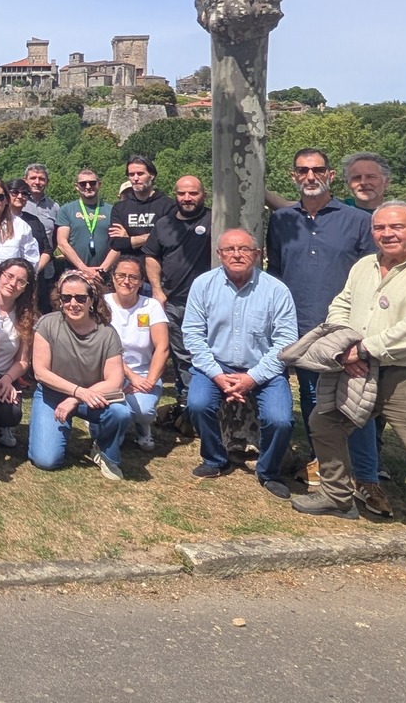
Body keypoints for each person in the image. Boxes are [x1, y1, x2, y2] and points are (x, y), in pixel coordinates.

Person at [290, 202, 406, 579]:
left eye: (397, 227)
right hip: (358, 366)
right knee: (324, 423)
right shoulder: (364, 266)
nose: (387, 233)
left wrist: (362, 350)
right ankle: (338, 496)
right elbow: (341, 304)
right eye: (380, 227)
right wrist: (345, 344)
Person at [265, 148, 383, 508]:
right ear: (293, 176)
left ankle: (366, 478)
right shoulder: (281, 220)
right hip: (298, 326)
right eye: (303, 171)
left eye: (317, 170)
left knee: (352, 403)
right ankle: (327, 469)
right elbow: (277, 271)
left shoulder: (357, 220)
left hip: (343, 329)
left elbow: (372, 278)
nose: (310, 176)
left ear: (330, 175)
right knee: (312, 400)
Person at [180, 228, 299, 498]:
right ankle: (215, 459)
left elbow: (286, 342)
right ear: (219, 254)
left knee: (280, 419)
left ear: (256, 254)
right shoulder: (203, 285)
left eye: (244, 249)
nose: (236, 254)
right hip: (216, 365)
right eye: (229, 249)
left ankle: (268, 471)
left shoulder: (276, 290)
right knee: (197, 404)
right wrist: (216, 375)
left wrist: (252, 378)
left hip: (264, 369)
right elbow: (193, 335)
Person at [28, 270, 133, 478]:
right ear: (60, 300)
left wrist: (77, 397)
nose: (73, 303)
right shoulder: (47, 324)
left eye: (80, 298)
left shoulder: (107, 333)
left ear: (92, 300)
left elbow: (115, 381)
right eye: (66, 298)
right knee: (46, 460)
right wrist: (77, 392)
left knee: (121, 413)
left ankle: (104, 449)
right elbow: (41, 373)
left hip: (94, 396)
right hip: (52, 395)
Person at [143, 175, 212, 424]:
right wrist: (157, 290)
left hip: (208, 305)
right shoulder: (164, 224)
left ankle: (207, 405)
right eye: (182, 193)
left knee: (207, 355)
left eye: (193, 193)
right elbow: (151, 256)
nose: (187, 198)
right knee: (182, 357)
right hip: (173, 302)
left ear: (203, 195)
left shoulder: (215, 219)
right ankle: (187, 407)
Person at [102, 259, 169, 451]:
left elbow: (162, 347)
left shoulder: (151, 306)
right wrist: (130, 377)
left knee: (144, 412)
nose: (126, 281)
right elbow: (104, 349)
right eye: (121, 275)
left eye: (133, 277)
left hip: (143, 374)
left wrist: (149, 381)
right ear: (113, 278)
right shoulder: (102, 304)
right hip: (106, 373)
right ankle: (115, 426)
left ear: (141, 282)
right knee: (116, 411)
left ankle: (143, 426)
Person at [0, 256, 37, 448]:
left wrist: (7, 380)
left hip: (4, 374)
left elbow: (23, 361)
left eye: (21, 281)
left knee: (11, 415)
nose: (13, 284)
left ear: (25, 288)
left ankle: (1, 423)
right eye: (9, 276)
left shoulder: (26, 315)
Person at [103, 156, 167, 278]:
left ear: (152, 175)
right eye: (131, 174)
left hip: (160, 275)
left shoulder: (167, 205)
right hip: (129, 276)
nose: (136, 178)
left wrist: (129, 239)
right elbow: (116, 243)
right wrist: (153, 236)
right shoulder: (120, 207)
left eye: (140, 173)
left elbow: (167, 240)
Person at [55, 168, 114, 291]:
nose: (88, 186)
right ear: (76, 186)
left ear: (99, 184)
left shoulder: (112, 210)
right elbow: (62, 243)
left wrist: (102, 270)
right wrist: (84, 269)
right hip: (74, 273)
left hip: (103, 275)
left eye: (92, 183)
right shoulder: (66, 210)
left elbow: (118, 243)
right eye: (83, 184)